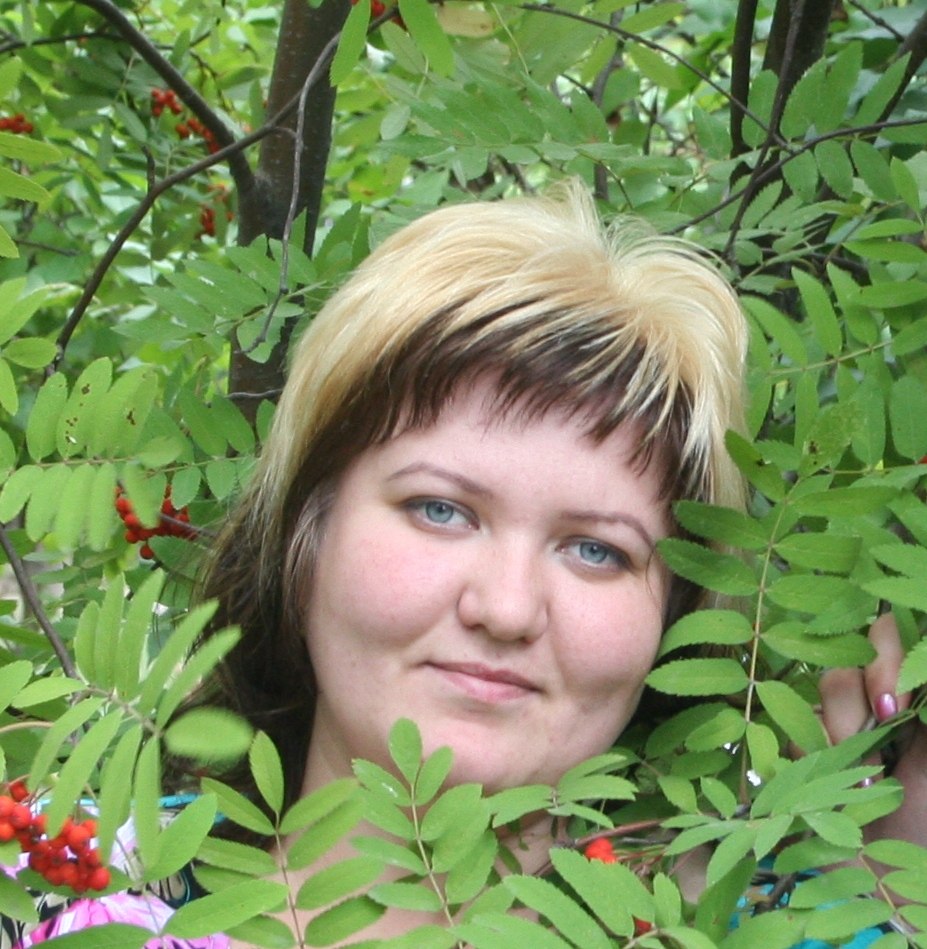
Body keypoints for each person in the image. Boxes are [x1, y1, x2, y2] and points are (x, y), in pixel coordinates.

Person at [4, 182, 924, 946]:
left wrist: (890, 871)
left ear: (677, 617)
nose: (507, 607)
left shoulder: (777, 921)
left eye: (596, 549)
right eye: (440, 509)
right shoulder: (49, 879)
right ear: (304, 536)